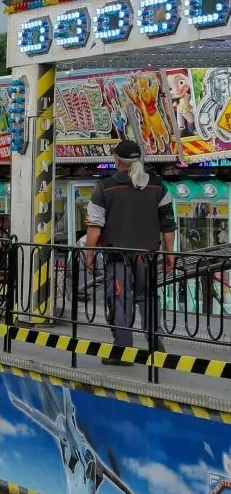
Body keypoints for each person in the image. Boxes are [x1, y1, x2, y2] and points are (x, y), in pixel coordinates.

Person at [84, 139, 177, 364]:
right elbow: (168, 225)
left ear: (118, 161)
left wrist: (89, 255)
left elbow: (95, 227)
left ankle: (123, 350)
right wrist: (170, 253)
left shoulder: (105, 187)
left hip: (118, 256)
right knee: (149, 297)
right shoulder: (158, 186)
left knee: (119, 299)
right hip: (148, 256)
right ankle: (155, 344)